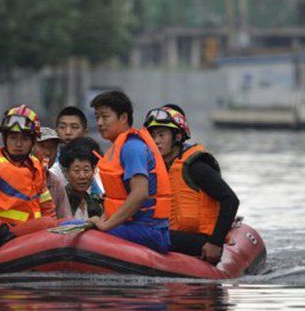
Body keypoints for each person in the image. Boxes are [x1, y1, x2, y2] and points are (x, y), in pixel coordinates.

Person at [144, 104, 240, 264]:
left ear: (178, 137)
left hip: (202, 240)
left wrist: (215, 243)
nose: (156, 141)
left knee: (148, 234)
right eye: (152, 136)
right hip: (175, 235)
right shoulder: (158, 169)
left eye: (162, 135)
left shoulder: (196, 167)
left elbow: (230, 200)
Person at [0, 104, 57, 264]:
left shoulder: (35, 165)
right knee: (49, 224)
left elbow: (47, 207)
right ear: (5, 138)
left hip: (23, 235)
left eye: (25, 138)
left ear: (33, 141)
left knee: (61, 223)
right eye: (13, 137)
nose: (18, 144)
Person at [87, 91, 172, 254]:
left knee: (85, 234)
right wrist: (102, 219)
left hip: (149, 231)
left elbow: (140, 194)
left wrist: (106, 225)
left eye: (105, 117)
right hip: (133, 226)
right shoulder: (117, 147)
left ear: (123, 118)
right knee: (70, 226)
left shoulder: (132, 147)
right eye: (97, 117)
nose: (99, 122)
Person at [58, 137, 104, 220]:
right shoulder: (61, 200)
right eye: (76, 170)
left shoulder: (94, 203)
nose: (82, 176)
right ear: (66, 172)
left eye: (86, 170)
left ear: (93, 170)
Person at [32, 127, 72, 219]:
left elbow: (66, 220)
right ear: (31, 147)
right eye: (42, 146)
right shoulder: (20, 175)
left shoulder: (55, 183)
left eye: (52, 148)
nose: (48, 152)